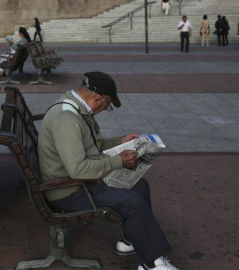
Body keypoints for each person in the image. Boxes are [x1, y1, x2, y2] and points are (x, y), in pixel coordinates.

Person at [38, 72, 179, 270]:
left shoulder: (75, 108)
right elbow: (78, 169)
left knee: (140, 186)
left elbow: (90, 146)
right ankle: (152, 263)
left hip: (74, 182)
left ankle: (130, 240)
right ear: (98, 98)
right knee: (133, 201)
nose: (105, 109)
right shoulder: (67, 118)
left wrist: (120, 141)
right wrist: (117, 162)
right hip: (67, 190)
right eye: (107, 105)